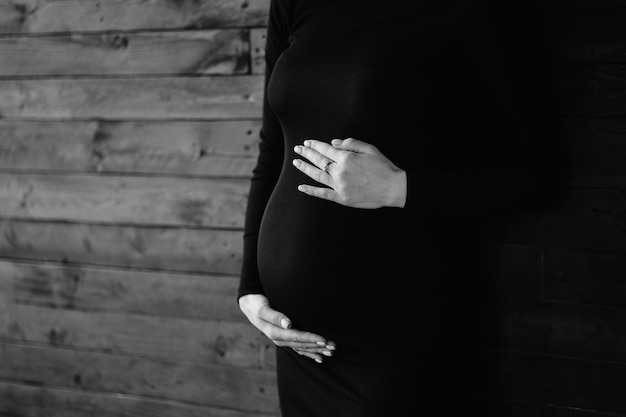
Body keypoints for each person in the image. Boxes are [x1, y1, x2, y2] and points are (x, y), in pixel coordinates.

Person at [237, 0, 563, 415]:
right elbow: (272, 152)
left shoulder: (472, 10)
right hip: (300, 344)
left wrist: (399, 188)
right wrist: (250, 289)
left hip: (395, 332)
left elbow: (537, 179)